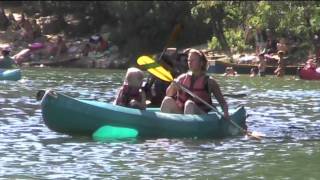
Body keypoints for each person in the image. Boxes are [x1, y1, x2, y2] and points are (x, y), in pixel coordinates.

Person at [160, 48, 229, 119]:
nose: (190, 62)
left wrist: (226, 113)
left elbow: (222, 102)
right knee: (167, 100)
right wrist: (173, 85)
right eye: (189, 60)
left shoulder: (210, 82)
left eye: (193, 60)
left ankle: (188, 128)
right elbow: (168, 94)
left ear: (201, 63)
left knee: (189, 104)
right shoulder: (182, 78)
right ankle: (162, 126)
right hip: (182, 115)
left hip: (201, 117)